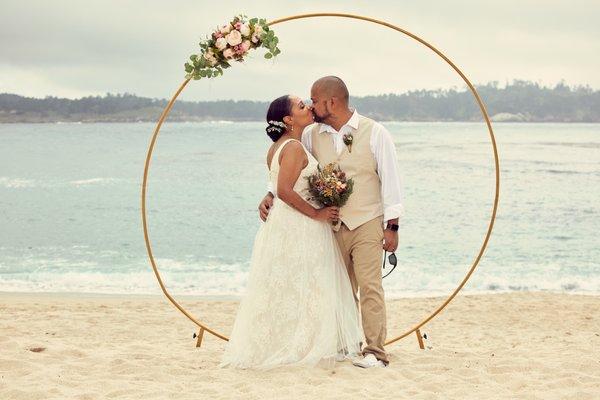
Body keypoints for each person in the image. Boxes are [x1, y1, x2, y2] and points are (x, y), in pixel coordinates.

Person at [258, 77, 404, 368]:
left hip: (367, 220)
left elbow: (392, 182)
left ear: (331, 102)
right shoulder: (311, 135)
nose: (311, 105)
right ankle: (347, 346)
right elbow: (295, 173)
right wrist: (272, 192)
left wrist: (393, 226)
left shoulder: (375, 133)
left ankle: (375, 352)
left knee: (370, 286)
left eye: (314, 99)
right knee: (339, 288)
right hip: (331, 224)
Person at [220, 94, 363, 370]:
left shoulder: (276, 148)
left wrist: (269, 195)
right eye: (301, 106)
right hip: (300, 224)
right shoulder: (295, 147)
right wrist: (317, 213)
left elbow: (277, 186)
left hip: (281, 225)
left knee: (288, 285)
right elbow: (285, 190)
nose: (308, 107)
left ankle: (288, 339)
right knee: (311, 283)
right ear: (288, 119)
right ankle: (306, 344)